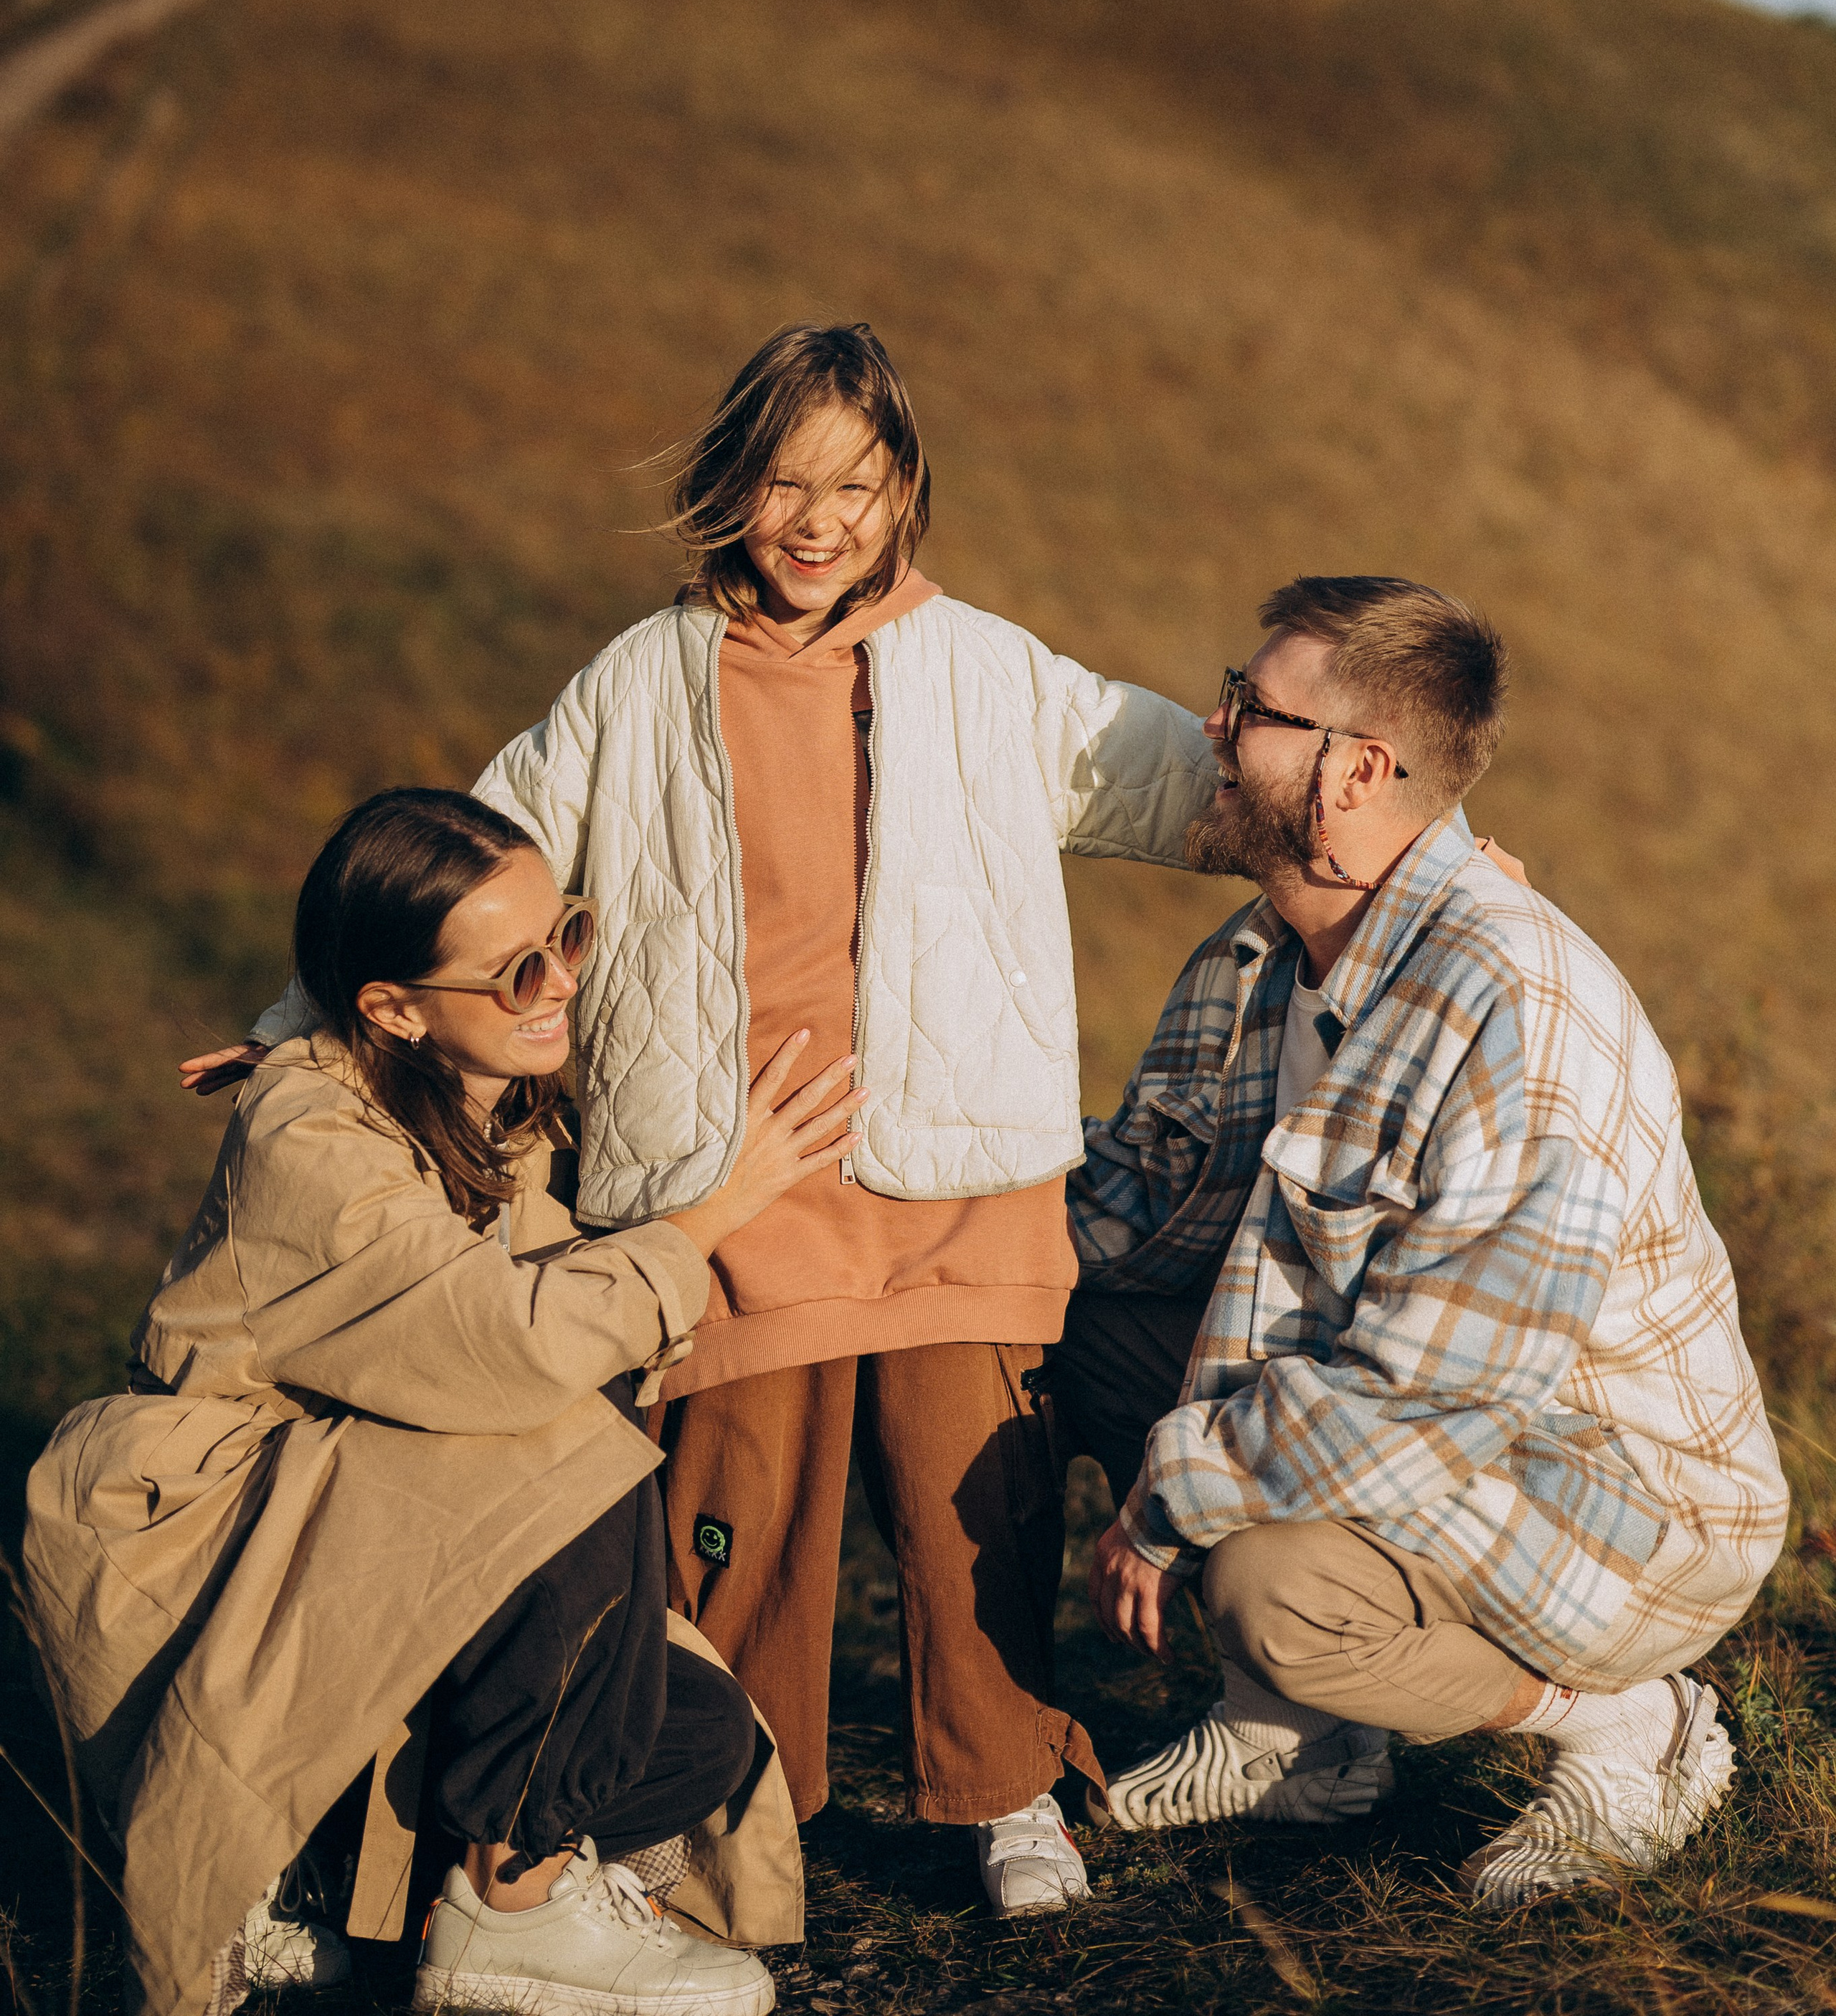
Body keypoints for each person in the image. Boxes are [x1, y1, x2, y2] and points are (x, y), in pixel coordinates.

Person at [191, 321, 1221, 1916]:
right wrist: (303, 1030)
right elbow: (474, 862)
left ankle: (1007, 1785)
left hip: (955, 1168)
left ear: (905, 493)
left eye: (858, 486)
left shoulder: (992, 668)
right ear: (726, 485)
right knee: (736, 1508)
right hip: (734, 1169)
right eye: (784, 482)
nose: (819, 521)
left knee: (978, 1494)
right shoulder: (636, 679)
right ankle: (732, 1794)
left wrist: (1413, 843)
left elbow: (1199, 783)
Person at [27, 787, 863, 2016]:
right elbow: (509, 1345)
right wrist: (712, 1216)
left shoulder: (481, 1097)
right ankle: (502, 1911)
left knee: (696, 1743)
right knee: (567, 1448)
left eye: (566, 937)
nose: (561, 985)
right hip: (217, 1529)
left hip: (365, 1515)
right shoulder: (312, 1136)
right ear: (393, 1010)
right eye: (516, 972)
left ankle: (371, 1891)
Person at [1055, 576, 1788, 1908]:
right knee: (1077, 1329)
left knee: (1271, 1588)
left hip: (1619, 1498)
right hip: (1432, 1428)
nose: (1210, 729)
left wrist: (1172, 1503)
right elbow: (1149, 1212)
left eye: (1249, 709)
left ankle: (1622, 1724)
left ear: (1356, 773)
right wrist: (914, 1227)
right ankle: (1308, 1745)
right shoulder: (1263, 960)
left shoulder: (1518, 1016)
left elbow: (1429, 1402)